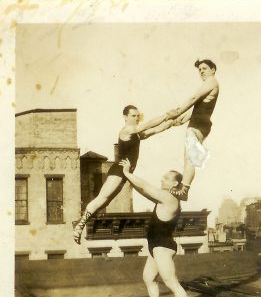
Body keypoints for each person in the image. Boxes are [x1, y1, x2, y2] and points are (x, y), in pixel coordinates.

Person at [73, 105, 182, 244]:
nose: (136, 118)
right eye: (133, 116)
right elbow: (148, 124)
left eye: (137, 116)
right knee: (102, 198)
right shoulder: (127, 130)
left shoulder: (136, 134)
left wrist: (173, 121)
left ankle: (81, 225)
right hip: (119, 170)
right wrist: (168, 114)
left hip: (125, 172)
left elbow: (155, 129)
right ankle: (79, 226)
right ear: (125, 117)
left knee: (105, 201)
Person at [119, 157, 196, 297]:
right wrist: (129, 179)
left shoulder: (170, 199)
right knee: (148, 277)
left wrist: (126, 173)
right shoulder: (163, 197)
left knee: (170, 281)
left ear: (176, 184)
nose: (162, 179)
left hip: (163, 246)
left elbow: (145, 187)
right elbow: (144, 191)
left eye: (166, 178)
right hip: (156, 246)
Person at [166, 59, 219, 201]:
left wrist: (177, 112)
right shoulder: (208, 84)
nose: (201, 71)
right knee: (188, 157)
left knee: (189, 157)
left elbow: (194, 98)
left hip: (199, 124)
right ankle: (184, 188)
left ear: (213, 69)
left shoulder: (211, 81)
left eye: (205, 68)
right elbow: (199, 108)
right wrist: (182, 119)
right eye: (199, 69)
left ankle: (184, 189)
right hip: (199, 122)